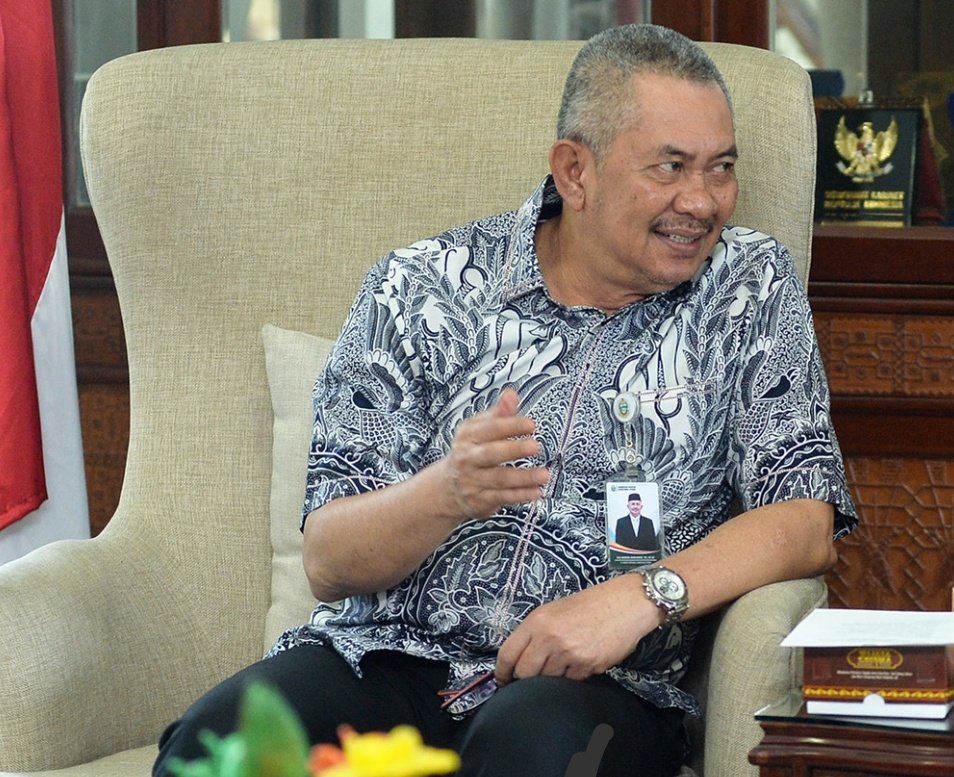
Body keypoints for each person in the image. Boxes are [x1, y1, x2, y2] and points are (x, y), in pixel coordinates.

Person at [154, 23, 857, 777]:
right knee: (216, 743)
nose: (702, 200)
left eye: (721, 168)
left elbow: (805, 520)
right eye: (670, 166)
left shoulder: (746, 287)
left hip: (594, 687)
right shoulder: (421, 287)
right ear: (575, 171)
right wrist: (445, 493)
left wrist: (640, 597)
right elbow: (329, 561)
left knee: (538, 750)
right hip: (386, 658)